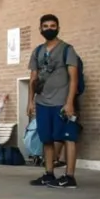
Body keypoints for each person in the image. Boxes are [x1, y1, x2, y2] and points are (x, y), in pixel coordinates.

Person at [28, 14, 81, 189]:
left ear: (58, 28)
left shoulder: (67, 49)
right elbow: (33, 78)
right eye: (46, 26)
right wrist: (30, 101)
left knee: (68, 138)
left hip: (62, 102)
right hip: (43, 102)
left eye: (52, 26)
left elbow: (73, 78)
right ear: (40, 29)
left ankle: (70, 177)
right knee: (47, 139)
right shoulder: (37, 51)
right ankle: (49, 174)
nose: (49, 29)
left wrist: (70, 102)